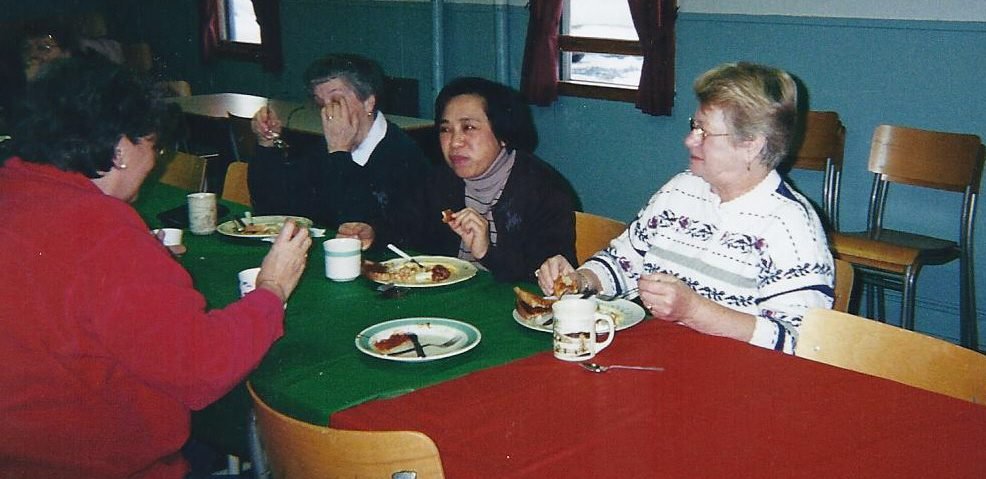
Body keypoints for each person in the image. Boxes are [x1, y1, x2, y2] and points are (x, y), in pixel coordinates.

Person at [0, 57, 312, 478]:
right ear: (121, 149)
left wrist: (140, 263)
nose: (155, 161)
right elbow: (202, 367)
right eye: (154, 146)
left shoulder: (13, 189)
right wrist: (272, 288)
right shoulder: (105, 232)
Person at [538, 62, 833, 353]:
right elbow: (622, 263)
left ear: (751, 145)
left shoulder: (790, 226)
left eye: (704, 132)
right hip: (662, 356)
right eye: (694, 126)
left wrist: (694, 311)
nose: (690, 140)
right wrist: (581, 280)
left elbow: (799, 343)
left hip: (738, 374)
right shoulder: (681, 190)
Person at [339, 77, 577, 282]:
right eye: (446, 129)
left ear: (503, 134)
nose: (454, 142)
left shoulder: (544, 190)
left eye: (469, 128)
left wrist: (487, 252)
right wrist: (373, 232)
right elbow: (403, 225)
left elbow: (549, 278)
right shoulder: (441, 180)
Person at [248, 53, 430, 239]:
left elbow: (357, 229)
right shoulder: (323, 148)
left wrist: (340, 153)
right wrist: (266, 145)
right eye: (321, 104)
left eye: (336, 102)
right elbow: (272, 209)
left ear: (368, 102)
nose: (327, 113)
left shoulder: (403, 155)